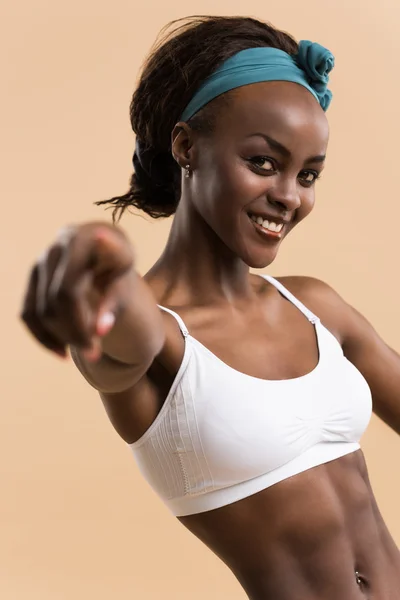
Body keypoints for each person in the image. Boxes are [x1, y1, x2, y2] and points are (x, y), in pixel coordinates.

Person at [20, 15, 400, 600]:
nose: (289, 196)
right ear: (185, 145)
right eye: (264, 163)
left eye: (309, 174)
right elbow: (120, 324)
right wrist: (101, 259)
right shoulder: (160, 342)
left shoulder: (315, 305)